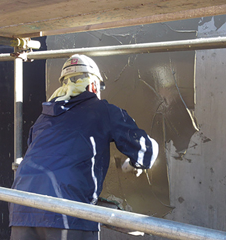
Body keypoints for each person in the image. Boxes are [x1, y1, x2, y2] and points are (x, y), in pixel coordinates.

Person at [9, 54, 159, 240]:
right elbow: (146, 151)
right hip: (67, 212)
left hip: (22, 207)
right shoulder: (102, 110)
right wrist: (136, 163)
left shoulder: (43, 118)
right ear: (93, 85)